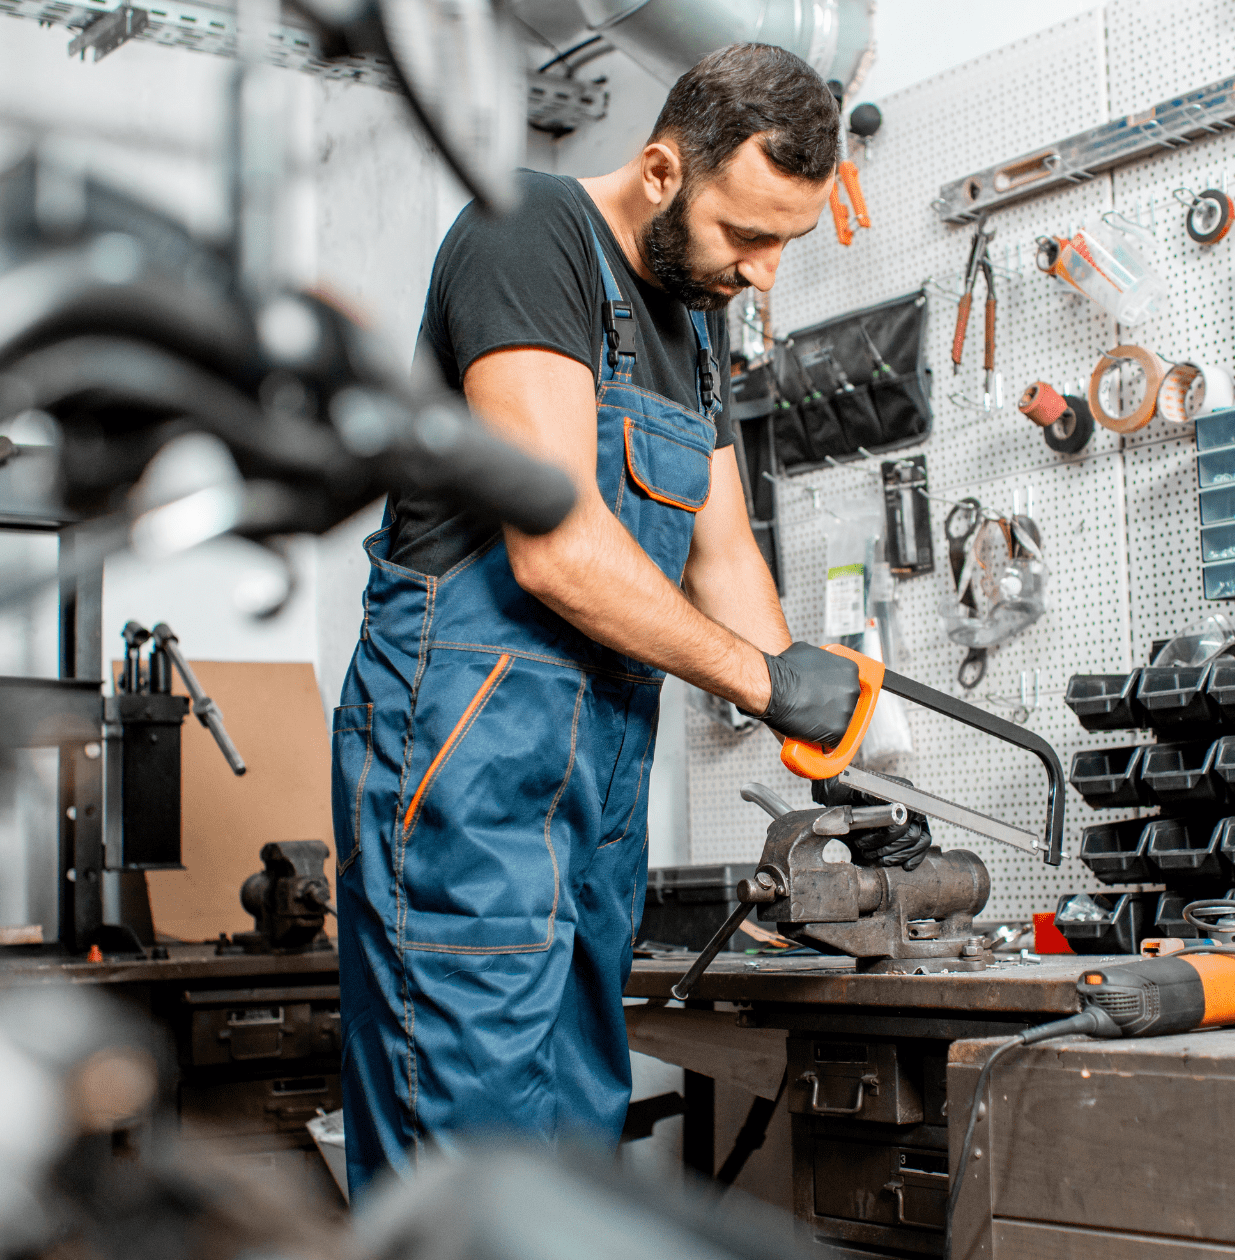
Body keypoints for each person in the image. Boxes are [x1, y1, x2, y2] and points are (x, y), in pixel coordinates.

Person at [332, 43, 877, 1192]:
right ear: (663, 171)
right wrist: (759, 681)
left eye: (787, 241)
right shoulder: (525, 234)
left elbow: (722, 548)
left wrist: (813, 708)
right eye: (748, 235)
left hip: (592, 790)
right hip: (466, 761)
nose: (766, 273)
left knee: (576, 1129)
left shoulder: (694, 316)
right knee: (467, 1138)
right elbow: (561, 550)